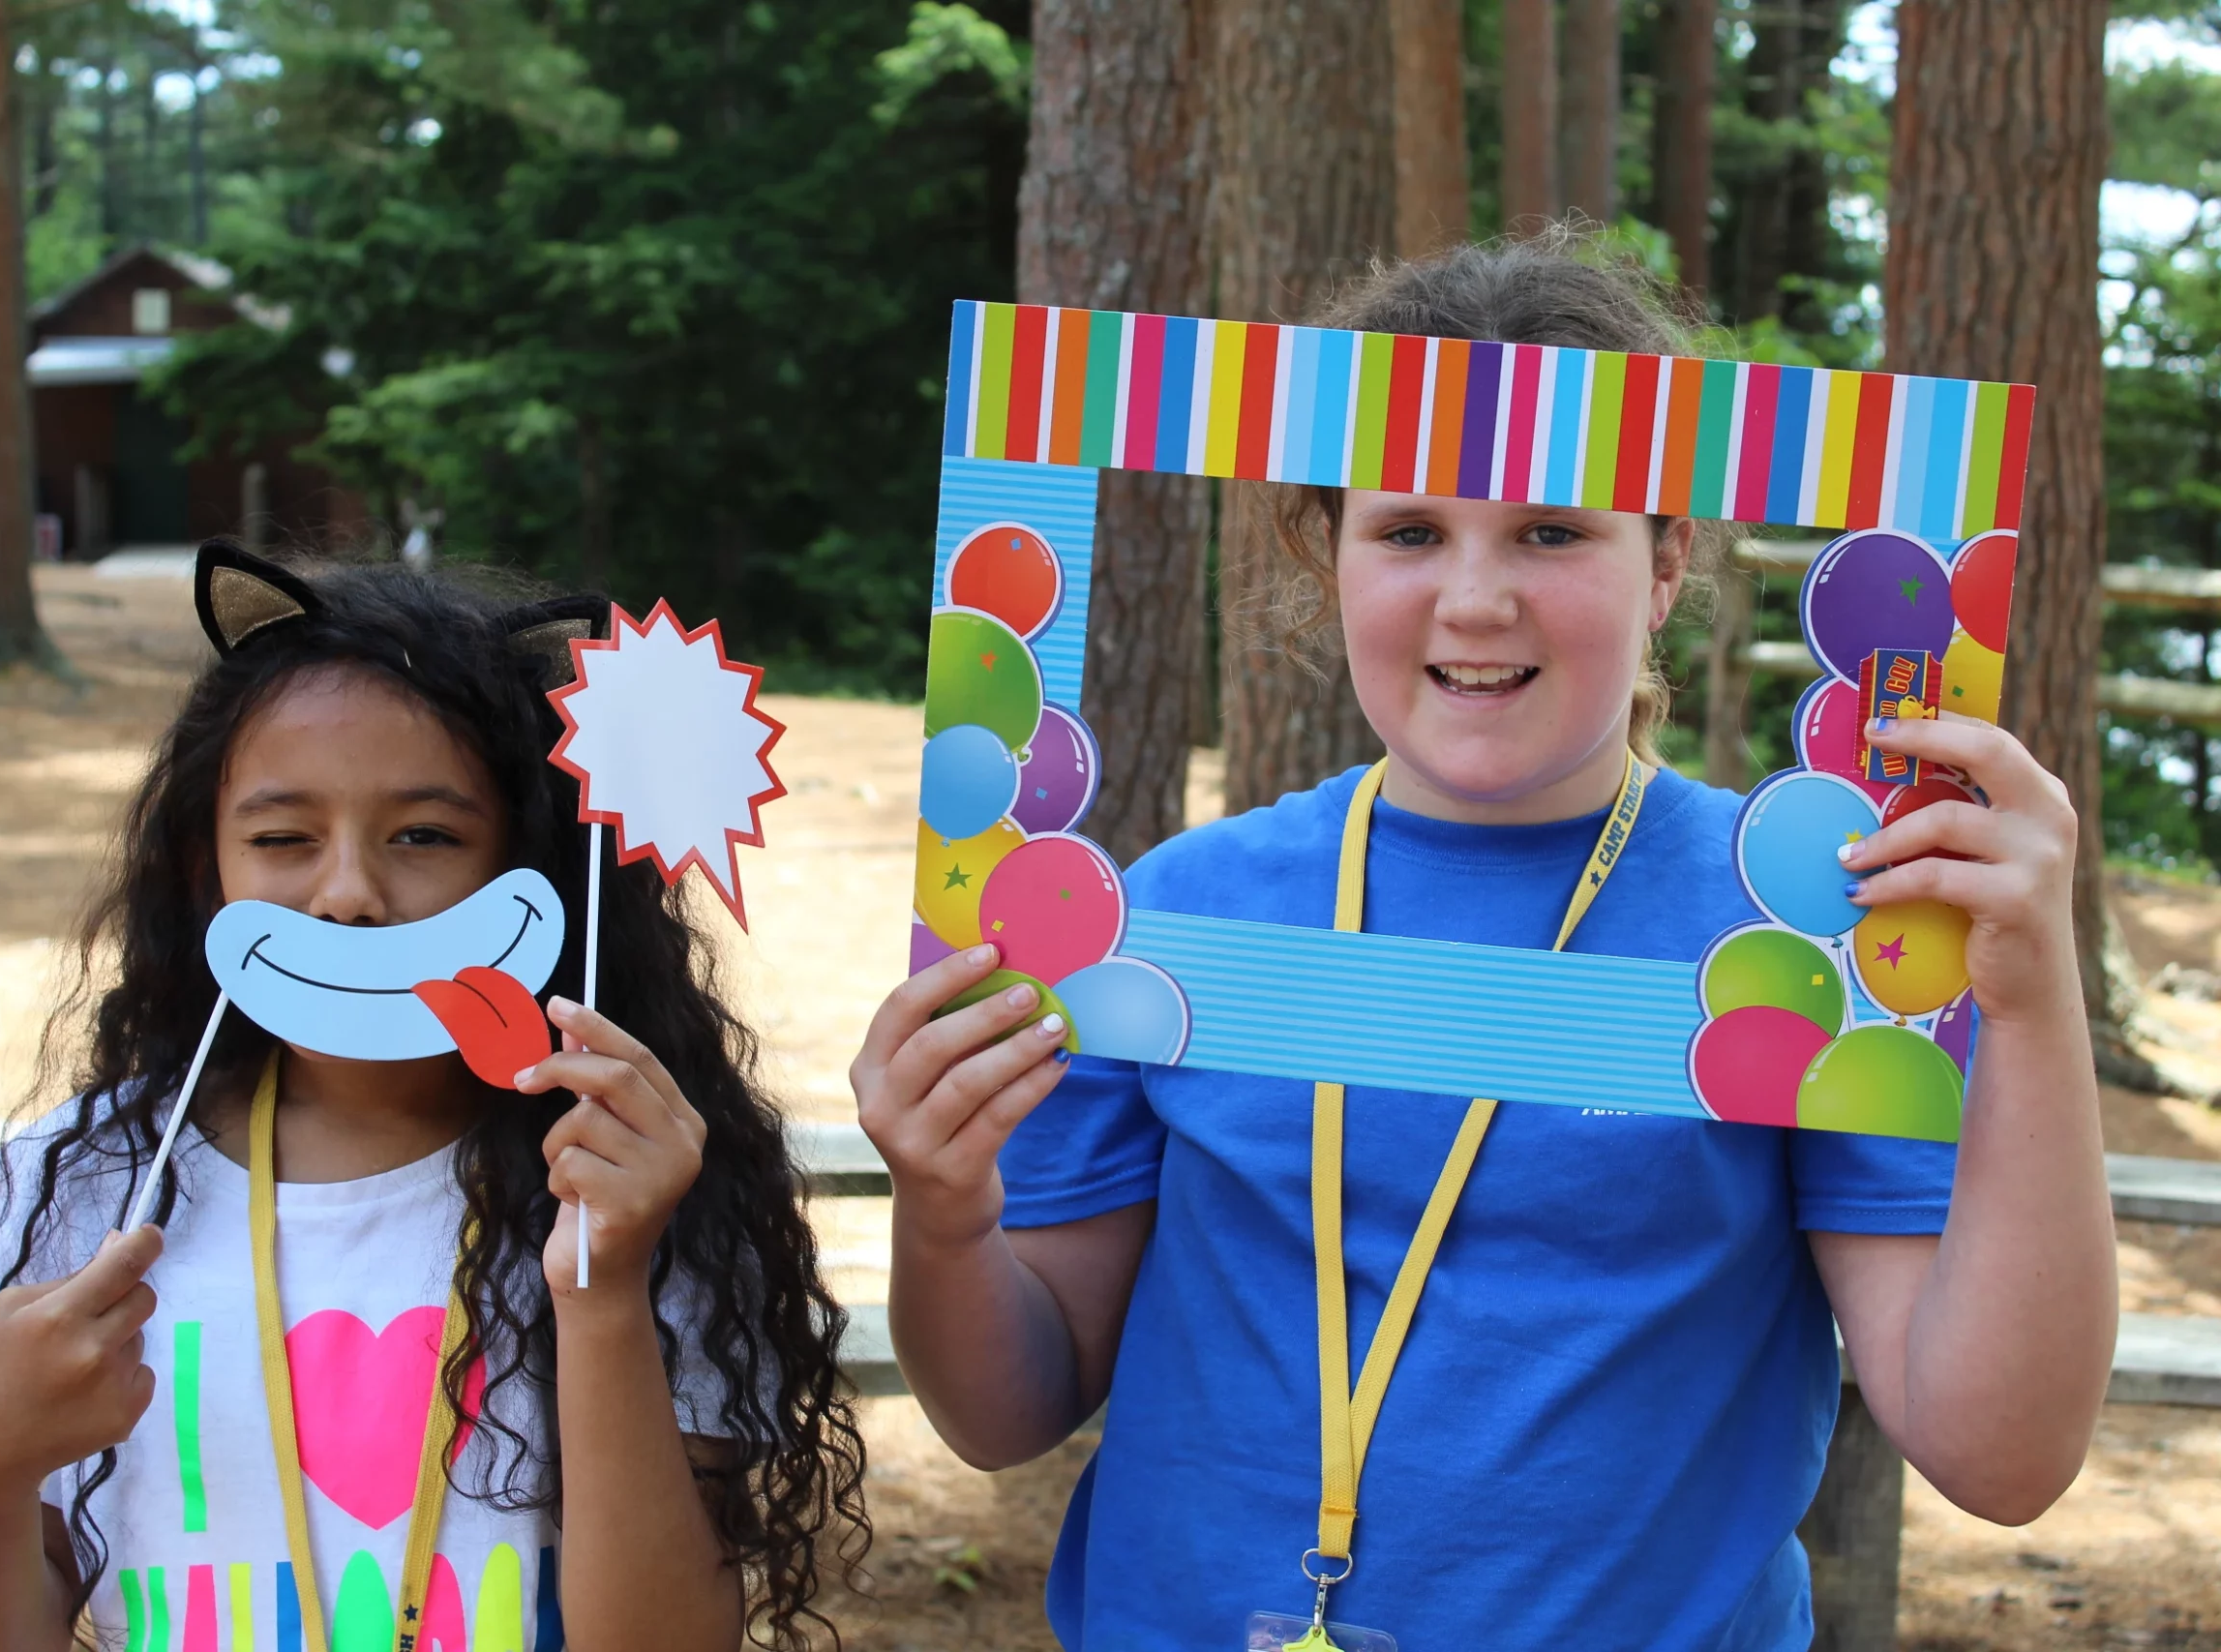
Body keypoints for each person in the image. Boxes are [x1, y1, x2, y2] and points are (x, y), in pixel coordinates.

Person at [855, 235, 2116, 1651]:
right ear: (1320, 550)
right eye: (1408, 530)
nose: (1475, 597)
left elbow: (2001, 1455)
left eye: (1553, 529)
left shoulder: (1806, 935)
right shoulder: (1165, 912)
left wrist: (2036, 1008)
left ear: (1668, 559)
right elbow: (1005, 1406)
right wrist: (945, 1206)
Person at [0, 545, 866, 1652]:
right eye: (281, 839)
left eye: (424, 836)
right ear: (203, 871)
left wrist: (604, 1293)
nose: (347, 895)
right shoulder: (77, 1188)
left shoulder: (629, 1185)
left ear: (533, 866)